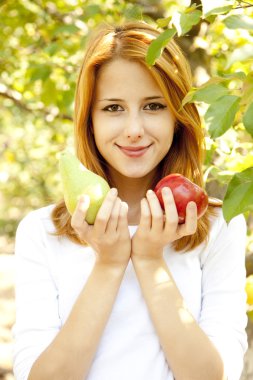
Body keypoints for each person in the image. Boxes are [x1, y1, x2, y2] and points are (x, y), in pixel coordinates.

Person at [13, 20, 248, 380]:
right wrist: (109, 264)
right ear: (89, 120)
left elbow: (212, 375)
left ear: (178, 117)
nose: (134, 129)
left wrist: (150, 259)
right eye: (113, 108)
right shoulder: (43, 232)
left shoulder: (218, 228)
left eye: (153, 106)